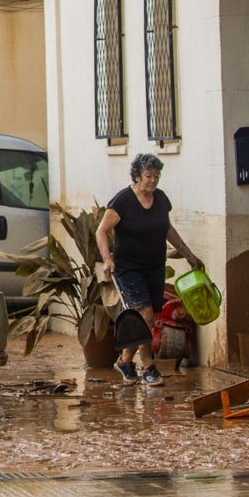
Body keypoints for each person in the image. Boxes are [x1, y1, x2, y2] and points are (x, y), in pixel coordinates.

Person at [96, 153, 203, 387]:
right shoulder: (123, 201)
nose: (153, 180)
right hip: (128, 268)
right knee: (144, 314)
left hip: (154, 266)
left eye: (157, 176)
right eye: (148, 176)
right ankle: (148, 366)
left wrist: (189, 255)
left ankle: (125, 361)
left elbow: (167, 229)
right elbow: (101, 231)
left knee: (150, 317)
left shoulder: (161, 199)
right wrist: (107, 259)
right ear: (137, 176)